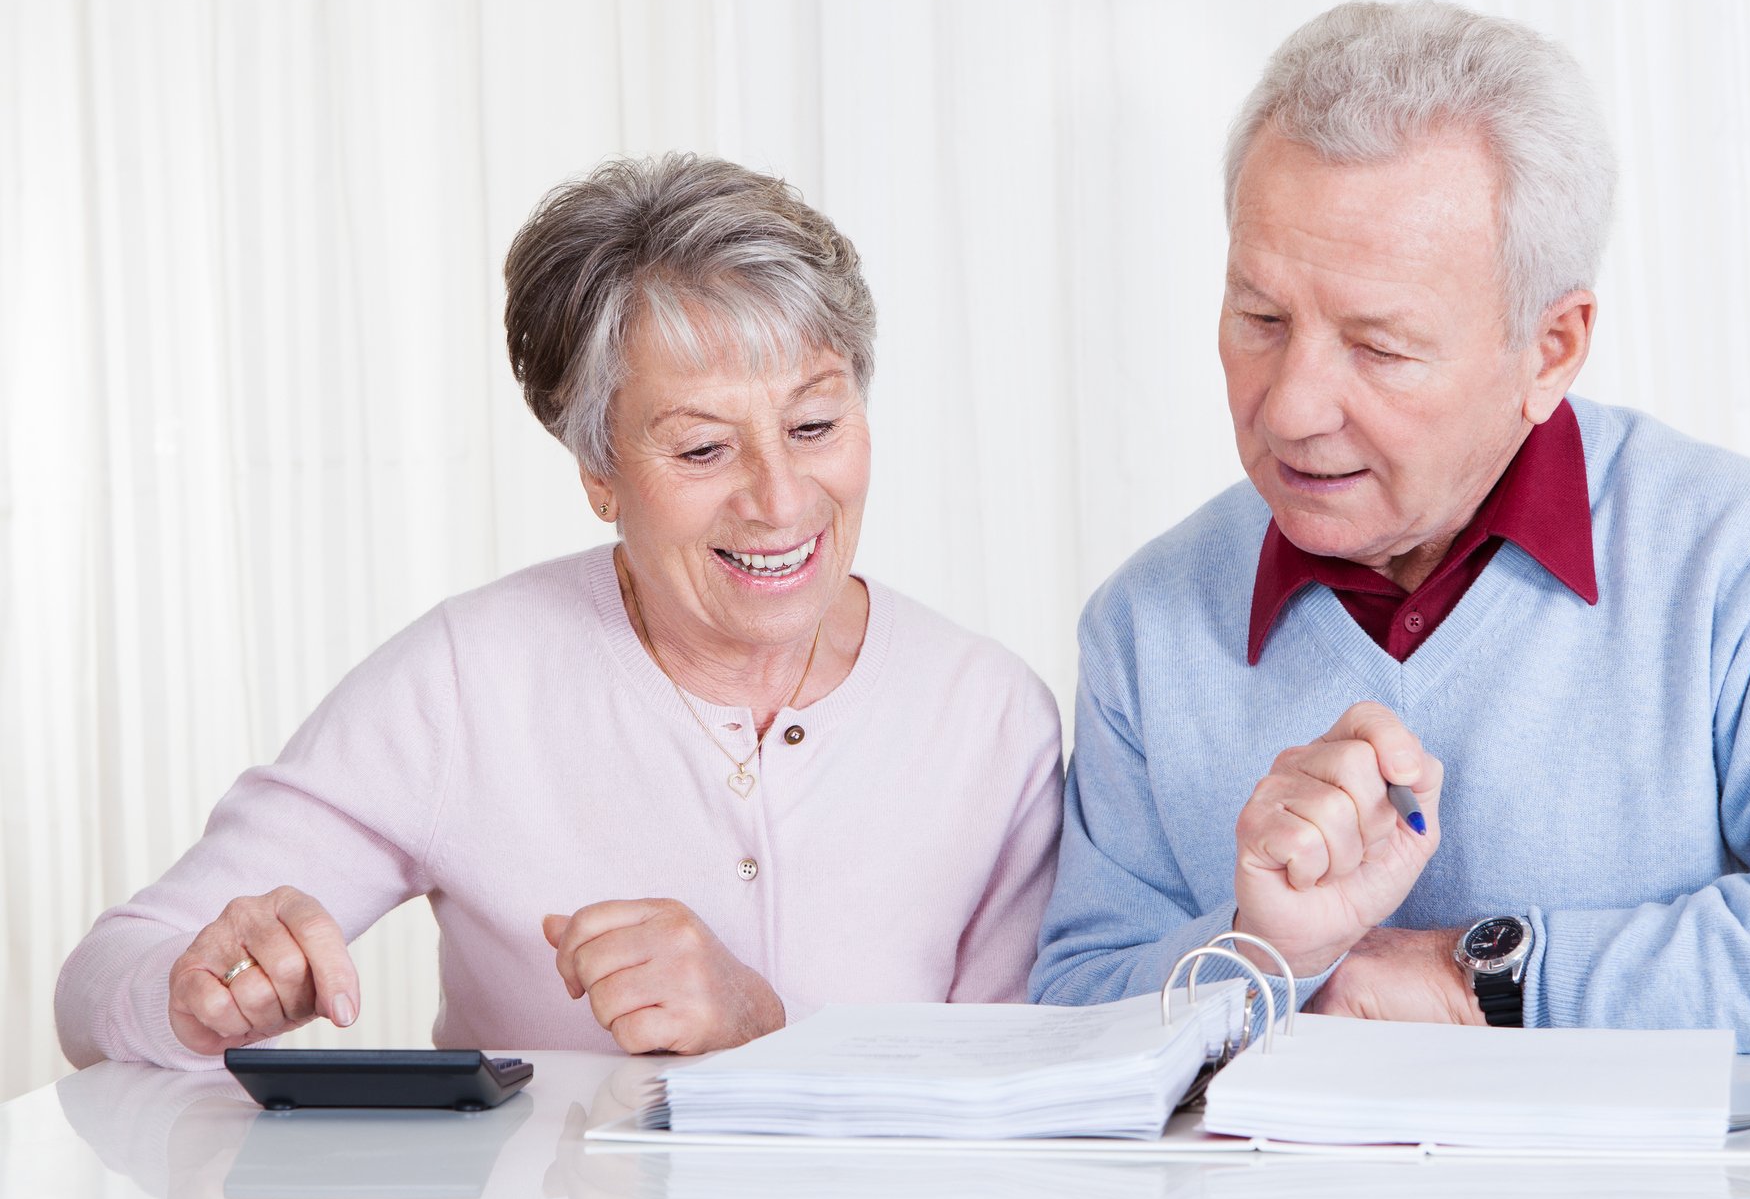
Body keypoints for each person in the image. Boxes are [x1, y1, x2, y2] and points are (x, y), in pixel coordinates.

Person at [1030, 0, 1750, 1055]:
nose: (1288, 407)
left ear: (1551, 348)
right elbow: (1071, 1011)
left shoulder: (1742, 564)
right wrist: (1262, 954)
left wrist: (1483, 976)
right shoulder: (1145, 624)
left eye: (1377, 345)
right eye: (1260, 319)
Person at [56, 154, 1062, 1069]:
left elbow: (1017, 1105)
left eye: (814, 425)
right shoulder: (469, 681)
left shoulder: (988, 715)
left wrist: (765, 1031)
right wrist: (193, 990)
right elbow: (106, 976)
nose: (781, 498)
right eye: (703, 449)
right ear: (598, 472)